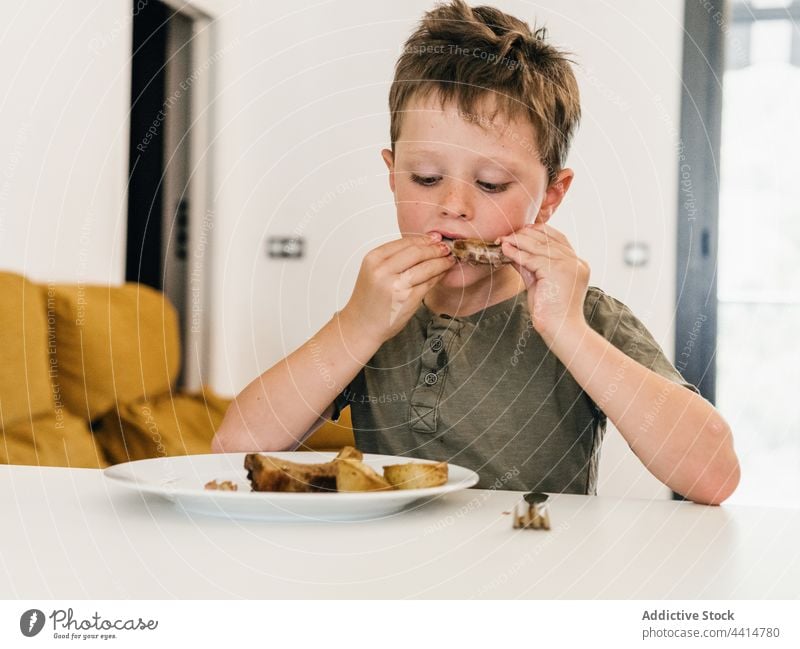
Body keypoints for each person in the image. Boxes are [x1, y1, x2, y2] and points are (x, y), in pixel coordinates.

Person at [212, 0, 740, 505]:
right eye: (426, 177)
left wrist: (568, 330)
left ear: (549, 198)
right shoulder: (378, 315)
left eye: (490, 184)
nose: (453, 206)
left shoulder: (585, 315)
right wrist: (356, 325)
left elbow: (714, 476)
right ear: (393, 175)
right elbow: (231, 450)